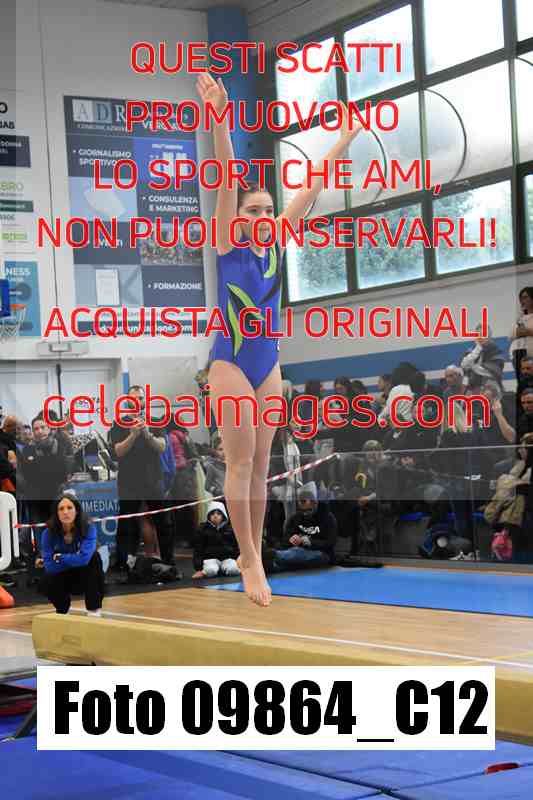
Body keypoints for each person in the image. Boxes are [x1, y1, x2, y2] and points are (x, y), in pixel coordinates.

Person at [196, 72, 363, 606]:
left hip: (268, 364)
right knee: (240, 462)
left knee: (262, 468)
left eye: (269, 210)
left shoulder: (276, 242)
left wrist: (343, 139)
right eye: (255, 211)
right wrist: (219, 115)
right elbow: (226, 175)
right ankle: (247, 556)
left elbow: (312, 187)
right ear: (238, 217)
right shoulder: (227, 241)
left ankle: (256, 554)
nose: (265, 217)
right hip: (230, 362)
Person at [108, 385, 175, 571]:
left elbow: (162, 447)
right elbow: (118, 451)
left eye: (140, 398)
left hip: (153, 480)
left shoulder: (155, 422)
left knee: (163, 521)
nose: (137, 401)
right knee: (126, 523)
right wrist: (133, 435)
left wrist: (146, 434)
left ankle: (168, 560)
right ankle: (123, 563)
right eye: (133, 398)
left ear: (145, 401)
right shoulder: (118, 424)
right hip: (129, 482)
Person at [39, 493, 104, 615]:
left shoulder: (88, 528)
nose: (65, 512)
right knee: (46, 579)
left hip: (84, 576)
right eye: (61, 509)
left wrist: (60, 557)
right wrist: (75, 558)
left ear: (77, 511)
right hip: (63, 578)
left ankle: (93, 609)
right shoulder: (47, 534)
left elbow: (84, 559)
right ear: (56, 513)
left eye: (69, 508)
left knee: (94, 558)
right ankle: (63, 609)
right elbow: (49, 566)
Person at [270, 484, 337, 572]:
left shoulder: (328, 517)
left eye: (309, 510)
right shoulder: (295, 518)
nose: (305, 513)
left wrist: (311, 542)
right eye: (303, 511)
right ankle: (273, 563)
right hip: (296, 551)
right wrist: (291, 539)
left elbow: (331, 543)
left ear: (315, 504)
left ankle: (273, 556)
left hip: (321, 553)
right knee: (294, 554)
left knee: (297, 553)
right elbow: (285, 540)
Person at [192, 501, 240, 579]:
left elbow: (235, 546)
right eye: (212, 514)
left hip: (227, 558)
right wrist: (198, 569)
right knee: (210, 571)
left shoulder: (230, 529)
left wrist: (239, 561)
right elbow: (198, 549)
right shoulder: (202, 529)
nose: (215, 516)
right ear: (208, 515)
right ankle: (210, 571)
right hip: (210, 559)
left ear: (223, 515)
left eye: (218, 513)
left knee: (233, 570)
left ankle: (224, 570)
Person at [509, 287, 533, 377]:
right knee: (523, 382)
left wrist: (527, 331)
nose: (523, 300)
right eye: (521, 298)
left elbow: (526, 330)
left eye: (525, 297)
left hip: (531, 355)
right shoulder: (520, 317)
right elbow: (510, 335)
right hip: (517, 355)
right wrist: (518, 332)